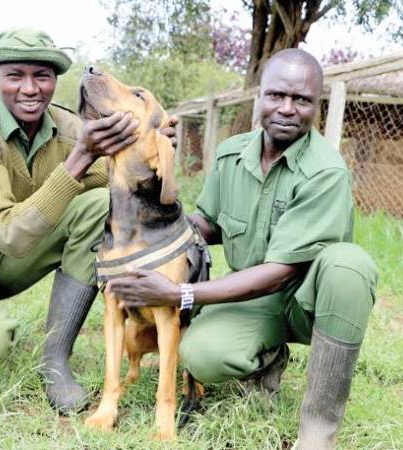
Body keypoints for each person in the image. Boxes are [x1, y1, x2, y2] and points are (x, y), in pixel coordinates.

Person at [0, 27, 176, 415]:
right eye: (15, 76)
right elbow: (8, 232)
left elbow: (113, 180)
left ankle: (55, 359)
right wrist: (79, 158)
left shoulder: (64, 126)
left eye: (42, 76)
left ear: (55, 81)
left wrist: (151, 139)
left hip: (8, 259)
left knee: (96, 206)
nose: (30, 89)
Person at [106, 48, 378, 449]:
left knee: (349, 265)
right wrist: (150, 220)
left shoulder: (326, 172)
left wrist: (179, 292)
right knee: (199, 354)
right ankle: (266, 359)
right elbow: (207, 225)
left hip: (307, 302)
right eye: (276, 95)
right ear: (259, 96)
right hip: (251, 298)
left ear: (316, 106)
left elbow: (281, 272)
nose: (286, 108)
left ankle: (319, 427)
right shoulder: (232, 154)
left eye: (301, 100)